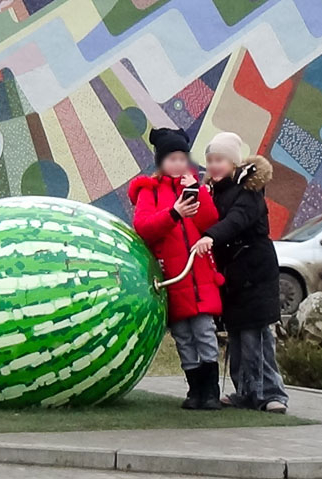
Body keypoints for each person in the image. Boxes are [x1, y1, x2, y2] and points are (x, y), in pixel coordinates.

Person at [193, 131, 289, 414]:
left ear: (233, 163)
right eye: (210, 160)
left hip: (255, 274)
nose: (213, 165)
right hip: (232, 277)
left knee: (256, 335)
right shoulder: (213, 192)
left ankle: (272, 394)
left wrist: (210, 236)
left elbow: (237, 220)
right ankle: (244, 391)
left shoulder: (249, 191)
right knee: (237, 335)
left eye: (219, 159)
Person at [128, 127, 224, 410]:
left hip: (200, 276)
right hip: (172, 279)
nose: (179, 164)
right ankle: (194, 391)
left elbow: (209, 221)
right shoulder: (150, 191)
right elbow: (144, 227)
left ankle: (211, 393)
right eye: (172, 159)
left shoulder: (193, 186)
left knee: (205, 332)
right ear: (161, 162)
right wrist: (174, 213)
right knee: (183, 336)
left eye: (183, 158)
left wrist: (196, 191)